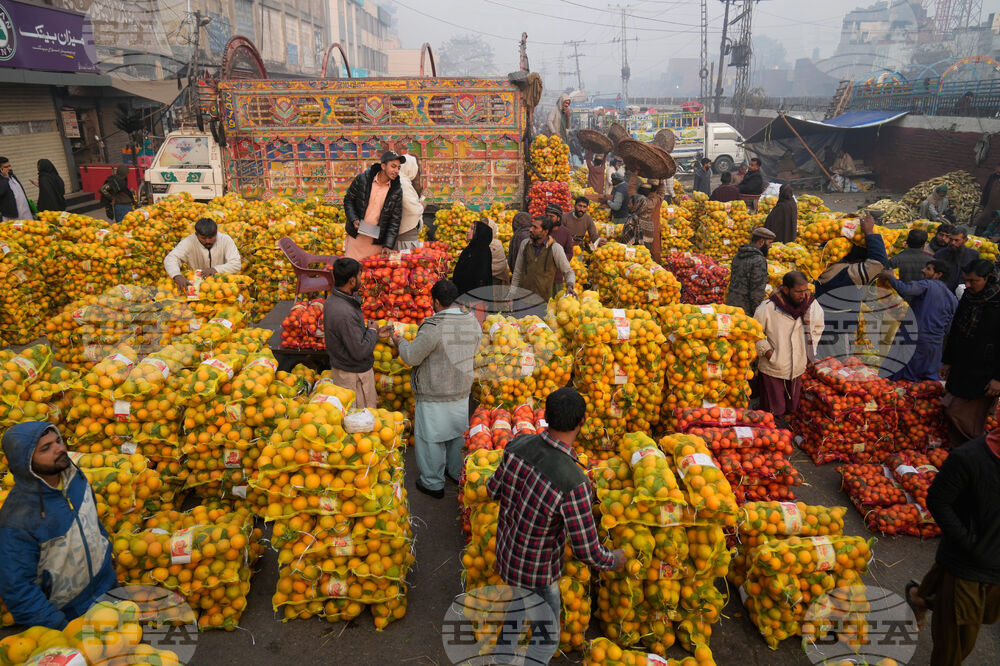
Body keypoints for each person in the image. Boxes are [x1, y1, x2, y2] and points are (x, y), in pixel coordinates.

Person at [487, 388, 626, 665]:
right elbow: (589, 553)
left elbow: (492, 490)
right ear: (582, 422)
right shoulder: (574, 482)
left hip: (506, 556)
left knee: (514, 610)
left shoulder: (517, 445)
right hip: (537, 573)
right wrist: (616, 559)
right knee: (546, 639)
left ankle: (501, 660)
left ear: (546, 417)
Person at [0, 422, 116, 628]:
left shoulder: (76, 480)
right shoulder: (18, 519)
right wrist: (58, 627)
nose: (59, 448)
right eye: (46, 448)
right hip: (71, 615)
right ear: (25, 462)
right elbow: (18, 588)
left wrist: (109, 560)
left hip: (108, 591)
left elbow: (94, 525)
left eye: (58, 441)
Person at [906, 426, 1000, 666]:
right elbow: (938, 500)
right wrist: (968, 543)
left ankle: (922, 598)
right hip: (968, 568)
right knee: (955, 647)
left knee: (987, 615)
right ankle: (927, 598)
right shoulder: (969, 458)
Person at [395, 280, 482, 499]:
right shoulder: (472, 321)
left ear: (435, 301)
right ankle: (454, 472)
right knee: (456, 433)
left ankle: (433, 483)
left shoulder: (434, 326)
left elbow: (412, 357)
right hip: (461, 388)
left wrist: (399, 342)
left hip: (434, 392)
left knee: (430, 438)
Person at [940, 259, 1000, 445]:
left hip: (985, 372)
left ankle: (971, 452)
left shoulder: (997, 302)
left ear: (987, 278)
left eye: (973, 281)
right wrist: (947, 360)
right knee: (951, 407)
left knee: (967, 416)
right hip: (962, 364)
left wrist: (998, 378)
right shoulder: (968, 296)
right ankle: (956, 450)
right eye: (966, 280)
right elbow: (956, 329)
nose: (968, 285)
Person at [814, 213, 888, 360]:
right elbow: (879, 260)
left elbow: (827, 248)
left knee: (819, 366)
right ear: (860, 259)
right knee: (837, 369)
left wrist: (842, 225)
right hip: (840, 331)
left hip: (818, 325)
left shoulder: (822, 266)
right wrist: (869, 233)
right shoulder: (852, 275)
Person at [753, 271, 825, 419]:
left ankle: (786, 435)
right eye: (798, 291)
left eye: (805, 290)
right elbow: (755, 333)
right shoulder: (768, 307)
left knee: (792, 407)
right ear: (786, 290)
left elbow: (818, 327)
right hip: (773, 368)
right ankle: (772, 435)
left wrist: (809, 350)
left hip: (797, 367)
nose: (803, 295)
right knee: (774, 409)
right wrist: (769, 353)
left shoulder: (812, 305)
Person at [323, 258, 390, 410]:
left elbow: (349, 337)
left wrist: (375, 334)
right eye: (360, 276)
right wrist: (372, 330)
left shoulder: (333, 300)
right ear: (352, 281)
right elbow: (359, 351)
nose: (362, 280)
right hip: (354, 377)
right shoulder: (344, 311)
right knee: (360, 421)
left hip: (344, 371)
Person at [879, 260, 958, 382]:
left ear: (938, 274)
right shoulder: (952, 297)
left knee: (902, 374)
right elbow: (950, 326)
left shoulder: (927, 285)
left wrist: (891, 277)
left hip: (914, 337)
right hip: (934, 343)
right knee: (926, 378)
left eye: (928, 269)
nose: (923, 270)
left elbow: (906, 289)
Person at [343, 150, 405, 260]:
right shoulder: (363, 179)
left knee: (371, 274)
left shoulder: (396, 190)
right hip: (356, 237)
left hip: (376, 242)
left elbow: (395, 220)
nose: (396, 171)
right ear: (383, 166)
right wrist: (353, 219)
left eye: (398, 168)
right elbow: (348, 200)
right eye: (393, 166)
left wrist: (388, 245)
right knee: (352, 270)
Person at [164, 217, 242, 290]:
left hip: (223, 287)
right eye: (203, 238)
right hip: (197, 286)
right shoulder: (189, 242)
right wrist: (177, 276)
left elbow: (236, 264)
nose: (207, 241)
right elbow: (171, 258)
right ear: (196, 234)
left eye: (211, 237)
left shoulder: (225, 240)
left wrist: (215, 269)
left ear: (216, 233)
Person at [509, 216, 576, 301]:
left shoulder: (555, 248)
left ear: (545, 231)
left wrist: (570, 285)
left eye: (535, 227)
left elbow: (568, 272)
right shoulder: (525, 244)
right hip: (523, 299)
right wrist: (512, 294)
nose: (530, 229)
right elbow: (517, 272)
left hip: (543, 300)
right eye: (531, 226)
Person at [726, 227, 775, 315]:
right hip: (746, 309)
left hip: (731, 304)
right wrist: (758, 313)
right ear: (761, 242)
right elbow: (757, 292)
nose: (771, 246)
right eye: (769, 243)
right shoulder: (758, 260)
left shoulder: (738, 255)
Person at [451, 220, 495, 296]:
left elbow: (482, 277)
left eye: (472, 229)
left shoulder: (483, 251)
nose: (468, 231)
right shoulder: (470, 248)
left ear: (479, 232)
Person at [934, 226, 979, 293]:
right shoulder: (940, 254)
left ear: (965, 240)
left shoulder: (973, 255)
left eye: (956, 240)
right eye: (951, 239)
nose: (952, 243)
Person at [395, 154, 424, 249]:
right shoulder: (403, 183)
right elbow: (413, 210)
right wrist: (421, 206)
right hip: (405, 235)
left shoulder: (399, 180)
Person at [545, 203, 574, 286]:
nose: (548, 219)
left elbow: (569, 252)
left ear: (558, 218)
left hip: (557, 277)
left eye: (551, 216)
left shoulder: (566, 232)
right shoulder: (542, 230)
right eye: (546, 216)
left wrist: (559, 261)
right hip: (541, 277)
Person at [973, 163, 1000, 235]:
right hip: (989, 206)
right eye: (996, 171)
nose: (997, 174)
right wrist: (982, 203)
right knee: (982, 222)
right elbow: (986, 190)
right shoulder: (993, 177)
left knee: (995, 226)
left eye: (999, 173)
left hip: (998, 209)